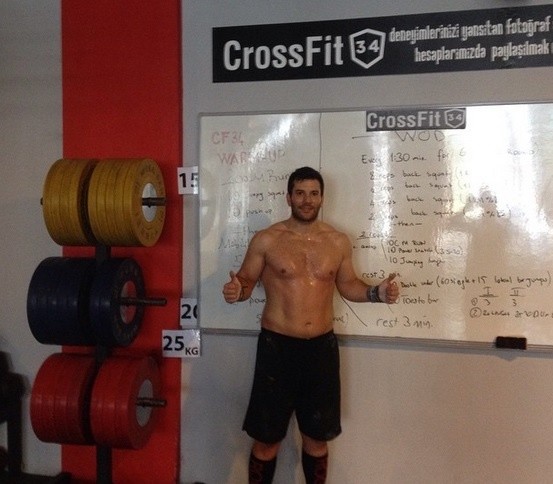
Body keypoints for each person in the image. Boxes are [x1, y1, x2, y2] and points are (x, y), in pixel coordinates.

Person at [223, 166, 399, 483]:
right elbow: (246, 280)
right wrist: (237, 291)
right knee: (267, 440)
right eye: (300, 193)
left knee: (317, 439)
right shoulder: (267, 240)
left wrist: (377, 293)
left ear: (322, 198)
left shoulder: (338, 241)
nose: (307, 200)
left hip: (320, 350)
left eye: (314, 194)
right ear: (288, 197)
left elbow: (348, 285)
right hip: (277, 349)